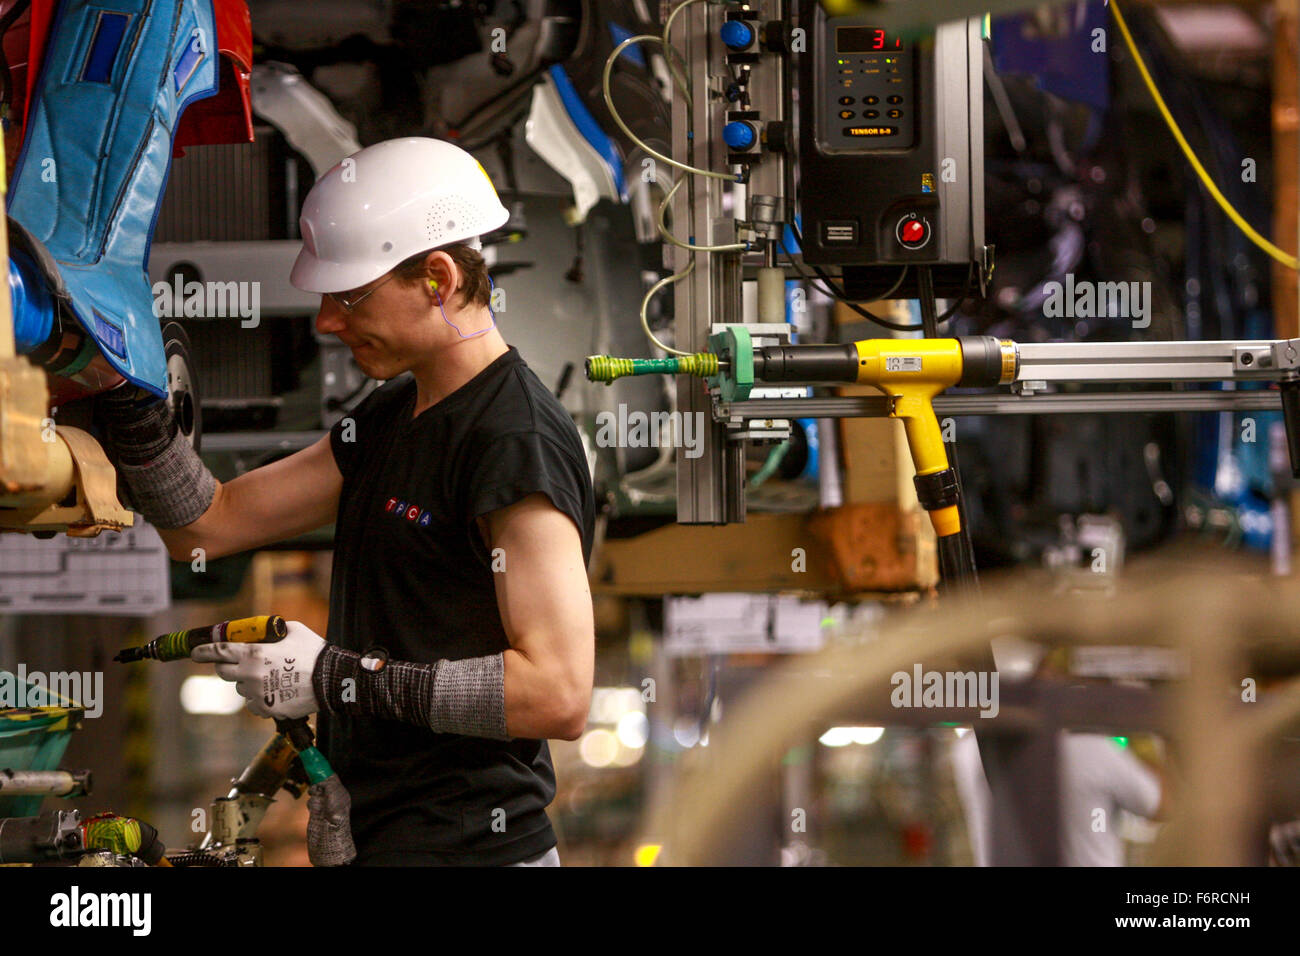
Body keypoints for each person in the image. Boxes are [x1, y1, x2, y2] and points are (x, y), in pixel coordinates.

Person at [98, 137, 596, 866]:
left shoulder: (513, 440)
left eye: (349, 295)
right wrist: (128, 397)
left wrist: (335, 678)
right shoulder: (395, 412)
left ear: (437, 277)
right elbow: (209, 524)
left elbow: (558, 693)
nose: (328, 320)